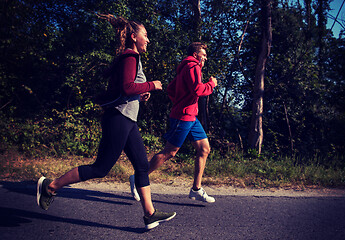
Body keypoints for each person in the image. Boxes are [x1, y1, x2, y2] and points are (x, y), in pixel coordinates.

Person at [36, 14, 176, 230]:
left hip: (128, 119)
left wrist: (141, 95)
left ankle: (149, 214)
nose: (148, 40)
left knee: (141, 165)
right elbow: (128, 87)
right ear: (133, 37)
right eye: (145, 35)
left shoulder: (130, 57)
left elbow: (128, 90)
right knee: (101, 168)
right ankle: (51, 186)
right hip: (118, 118)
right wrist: (150, 85)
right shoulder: (131, 56)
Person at [130, 42, 218, 203]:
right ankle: (138, 178)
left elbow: (171, 89)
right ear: (196, 54)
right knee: (169, 152)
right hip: (183, 116)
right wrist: (211, 84)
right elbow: (198, 90)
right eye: (203, 54)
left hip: (191, 116)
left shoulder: (186, 67)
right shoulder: (193, 66)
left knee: (204, 149)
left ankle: (196, 189)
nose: (205, 58)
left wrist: (181, 102)